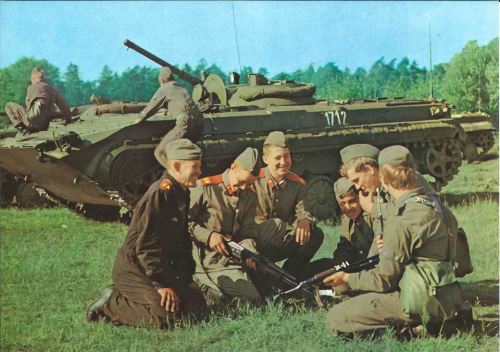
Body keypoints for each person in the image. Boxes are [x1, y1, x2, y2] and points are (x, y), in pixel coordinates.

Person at [323, 145, 465, 338]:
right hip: (442, 287)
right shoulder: (421, 201)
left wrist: (349, 279)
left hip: (418, 293)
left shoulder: (402, 217)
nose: (356, 187)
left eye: (356, 180)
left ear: (374, 171)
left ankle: (419, 330)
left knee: (336, 319)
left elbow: (384, 279)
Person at [86, 139, 207, 329]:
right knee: (168, 319)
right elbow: (146, 247)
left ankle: (139, 297)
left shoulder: (180, 190)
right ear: (176, 166)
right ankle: (110, 302)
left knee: (196, 307)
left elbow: (182, 241)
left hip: (157, 264)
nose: (200, 172)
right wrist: (161, 285)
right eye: (195, 167)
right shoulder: (160, 193)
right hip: (135, 266)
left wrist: (187, 280)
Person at [188, 147, 267, 305]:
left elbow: (247, 231)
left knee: (257, 297)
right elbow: (183, 222)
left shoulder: (249, 196)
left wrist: (249, 250)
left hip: (228, 260)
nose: (244, 188)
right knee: (239, 300)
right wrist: (209, 236)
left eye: (249, 183)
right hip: (200, 259)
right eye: (242, 182)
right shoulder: (204, 188)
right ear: (233, 167)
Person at [252, 131, 324, 278]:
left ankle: (289, 276)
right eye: (277, 158)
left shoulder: (297, 184)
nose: (284, 162)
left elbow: (303, 209)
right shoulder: (253, 182)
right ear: (265, 159)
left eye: (286, 156)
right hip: (253, 243)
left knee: (315, 234)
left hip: (278, 242)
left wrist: (304, 220)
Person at [300, 177, 376, 279]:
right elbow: (345, 247)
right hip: (352, 266)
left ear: (360, 197)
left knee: (339, 287)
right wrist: (337, 267)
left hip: (371, 270)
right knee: (310, 270)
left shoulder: (373, 215)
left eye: (352, 201)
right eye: (342, 203)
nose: (348, 208)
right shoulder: (346, 218)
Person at [135, 66, 204, 163]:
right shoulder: (181, 88)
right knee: (185, 154)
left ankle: (174, 176)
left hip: (185, 123)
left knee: (159, 152)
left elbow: (151, 108)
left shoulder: (164, 88)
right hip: (200, 122)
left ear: (161, 81)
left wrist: (139, 118)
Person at [5, 67, 71, 134]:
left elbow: (29, 108)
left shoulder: (31, 88)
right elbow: (64, 106)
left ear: (33, 79)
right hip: (44, 125)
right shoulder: (53, 89)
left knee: (8, 105)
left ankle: (22, 128)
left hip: (32, 122)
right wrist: (68, 120)